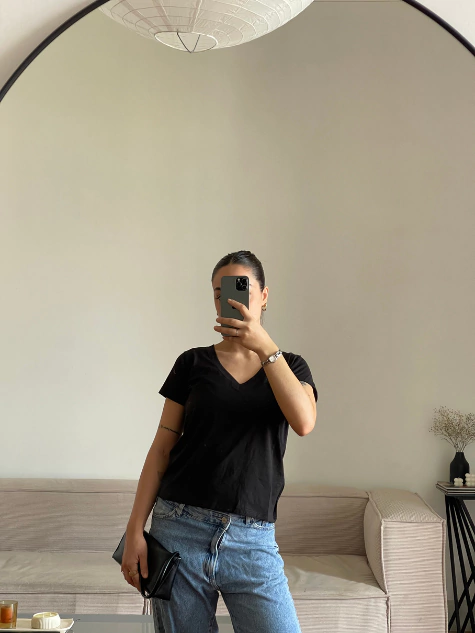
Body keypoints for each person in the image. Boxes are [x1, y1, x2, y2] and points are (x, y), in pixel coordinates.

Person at [121, 250, 318, 633]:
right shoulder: (192, 363)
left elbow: (304, 422)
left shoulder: (291, 366)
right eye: (219, 293)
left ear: (263, 296)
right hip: (178, 529)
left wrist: (265, 348)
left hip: (253, 541)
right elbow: (161, 449)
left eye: (242, 289)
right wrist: (134, 531)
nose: (229, 300)